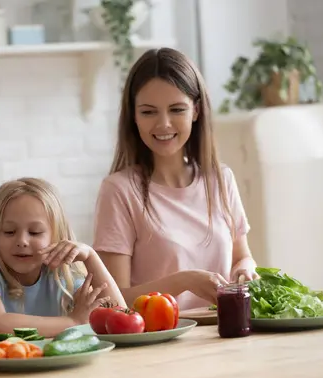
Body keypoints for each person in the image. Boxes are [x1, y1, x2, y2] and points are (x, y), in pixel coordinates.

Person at [92, 48, 259, 311]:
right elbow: (114, 300)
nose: (164, 124)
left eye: (176, 109)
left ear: (196, 111)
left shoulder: (221, 179)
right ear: (133, 116)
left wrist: (246, 271)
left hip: (227, 331)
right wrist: (184, 281)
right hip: (160, 341)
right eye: (148, 112)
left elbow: (242, 257)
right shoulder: (119, 191)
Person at [0, 177, 126, 344]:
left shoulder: (62, 276)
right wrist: (72, 322)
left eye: (35, 232)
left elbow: (120, 316)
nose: (22, 241)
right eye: (9, 231)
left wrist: (91, 257)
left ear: (57, 236)